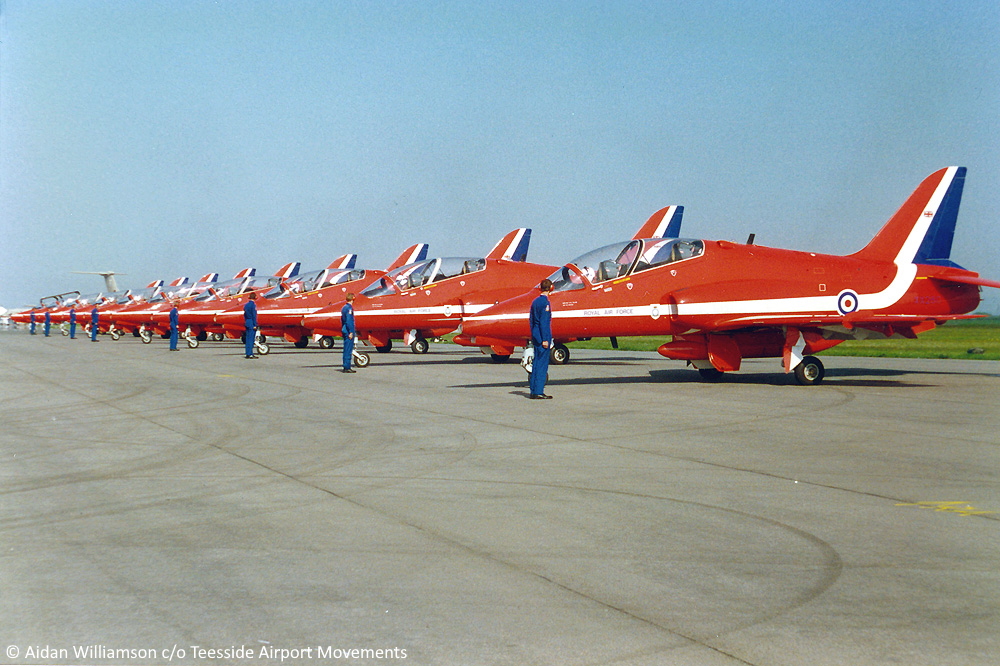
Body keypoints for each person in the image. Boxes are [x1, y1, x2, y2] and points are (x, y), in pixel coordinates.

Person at [528, 279, 554, 399]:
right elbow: (544, 322)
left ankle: (533, 390)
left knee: (536, 364)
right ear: (551, 288)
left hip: (536, 335)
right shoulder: (545, 303)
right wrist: (545, 339)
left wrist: (536, 336)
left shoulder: (535, 302)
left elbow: (532, 321)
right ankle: (539, 391)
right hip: (543, 337)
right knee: (542, 365)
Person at [341, 293, 356, 373]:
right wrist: (351, 331)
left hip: (344, 330)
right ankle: (347, 366)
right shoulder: (349, 308)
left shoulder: (344, 307)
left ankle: (345, 365)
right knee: (348, 349)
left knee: (346, 349)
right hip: (348, 331)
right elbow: (349, 321)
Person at [243, 292, 258, 359]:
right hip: (252, 322)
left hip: (247, 322)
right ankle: (250, 354)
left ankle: (247, 353)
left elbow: (245, 315)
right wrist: (255, 324)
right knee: (251, 339)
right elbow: (254, 316)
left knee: (247, 339)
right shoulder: (253, 305)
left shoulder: (246, 305)